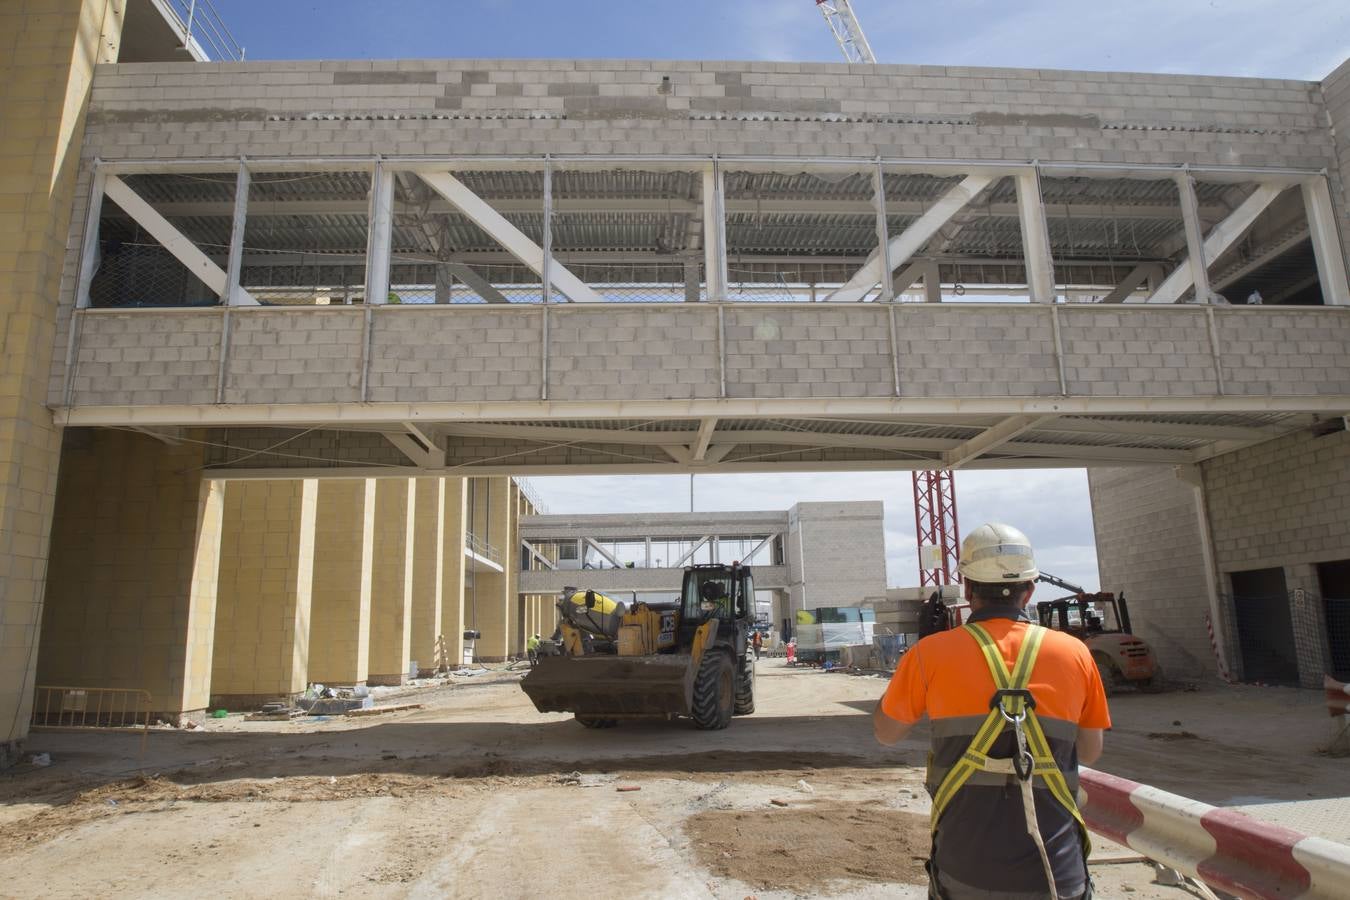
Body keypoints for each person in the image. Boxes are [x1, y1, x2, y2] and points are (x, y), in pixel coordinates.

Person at [872, 523, 1110, 900]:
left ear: (967, 589)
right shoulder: (1074, 653)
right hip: (1056, 874)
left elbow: (886, 733)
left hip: (964, 872)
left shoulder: (929, 655)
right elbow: (1091, 751)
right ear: (1030, 588)